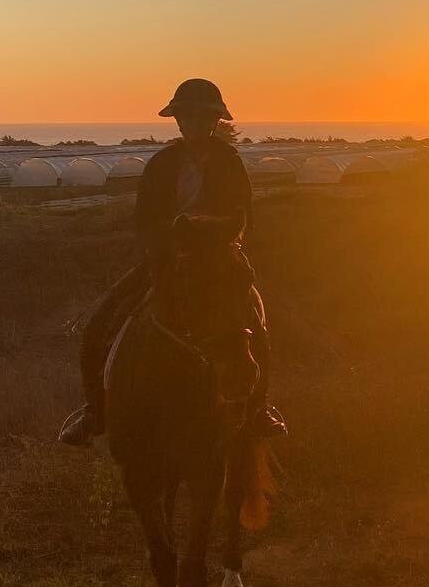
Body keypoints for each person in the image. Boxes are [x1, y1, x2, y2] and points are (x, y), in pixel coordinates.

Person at [58, 78, 275, 446]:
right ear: (178, 121)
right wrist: (168, 243)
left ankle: (259, 408)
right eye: (188, 117)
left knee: (255, 325)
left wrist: (219, 238)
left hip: (220, 257)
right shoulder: (161, 164)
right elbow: (144, 219)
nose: (195, 124)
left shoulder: (230, 162)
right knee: (99, 325)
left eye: (203, 118)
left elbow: (244, 215)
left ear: (214, 121)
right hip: (169, 257)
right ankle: (96, 411)